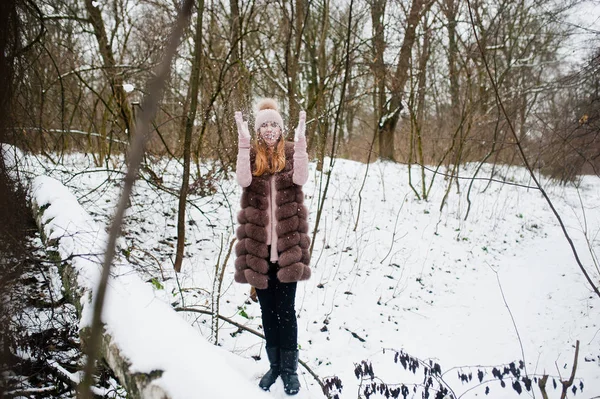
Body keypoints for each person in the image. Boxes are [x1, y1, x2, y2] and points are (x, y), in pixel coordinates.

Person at [234, 98, 311, 395]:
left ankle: (290, 370)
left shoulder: (292, 152)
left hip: (289, 248)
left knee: (286, 311)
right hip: (258, 250)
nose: (269, 129)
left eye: (273, 125)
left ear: (281, 129)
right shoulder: (251, 154)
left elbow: (301, 178)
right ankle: (275, 365)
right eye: (263, 125)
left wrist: (301, 144)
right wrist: (243, 145)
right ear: (258, 130)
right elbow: (242, 179)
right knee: (267, 312)